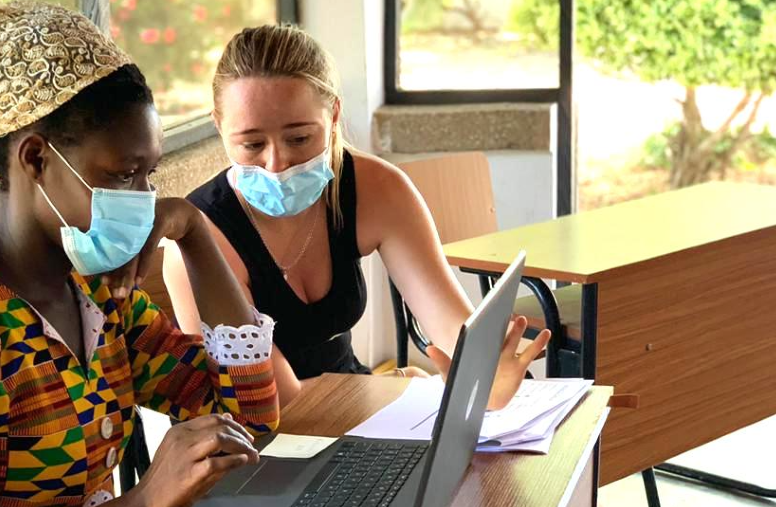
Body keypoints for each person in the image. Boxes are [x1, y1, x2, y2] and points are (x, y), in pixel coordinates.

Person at [0, 1, 277, 507]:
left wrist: (194, 228)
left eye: (148, 175)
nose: (142, 198)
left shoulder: (96, 292)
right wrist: (145, 499)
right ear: (36, 159)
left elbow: (247, 419)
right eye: (121, 174)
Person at [164, 24, 550, 408]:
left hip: (357, 410)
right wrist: (398, 385)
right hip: (257, 441)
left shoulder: (374, 188)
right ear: (219, 125)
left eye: (299, 138)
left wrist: (487, 370)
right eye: (251, 144)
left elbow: (451, 327)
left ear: (333, 115)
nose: (276, 164)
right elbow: (269, 402)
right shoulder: (200, 240)